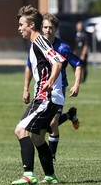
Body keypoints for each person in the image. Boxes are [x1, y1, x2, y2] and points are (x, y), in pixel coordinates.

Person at [11, 5, 65, 185]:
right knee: (38, 137)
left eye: (21, 25)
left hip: (46, 98)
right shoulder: (36, 44)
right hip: (49, 98)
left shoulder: (40, 41)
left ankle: (28, 174)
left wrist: (50, 81)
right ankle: (50, 175)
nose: (19, 28)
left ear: (32, 25)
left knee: (20, 130)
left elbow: (57, 62)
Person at [23, 13, 82, 162]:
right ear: (41, 28)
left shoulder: (62, 47)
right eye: (45, 27)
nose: (48, 30)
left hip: (58, 89)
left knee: (52, 123)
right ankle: (69, 116)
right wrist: (25, 89)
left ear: (56, 29)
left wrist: (76, 84)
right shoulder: (36, 45)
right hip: (42, 91)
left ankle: (52, 156)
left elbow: (78, 64)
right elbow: (29, 68)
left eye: (51, 28)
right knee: (44, 127)